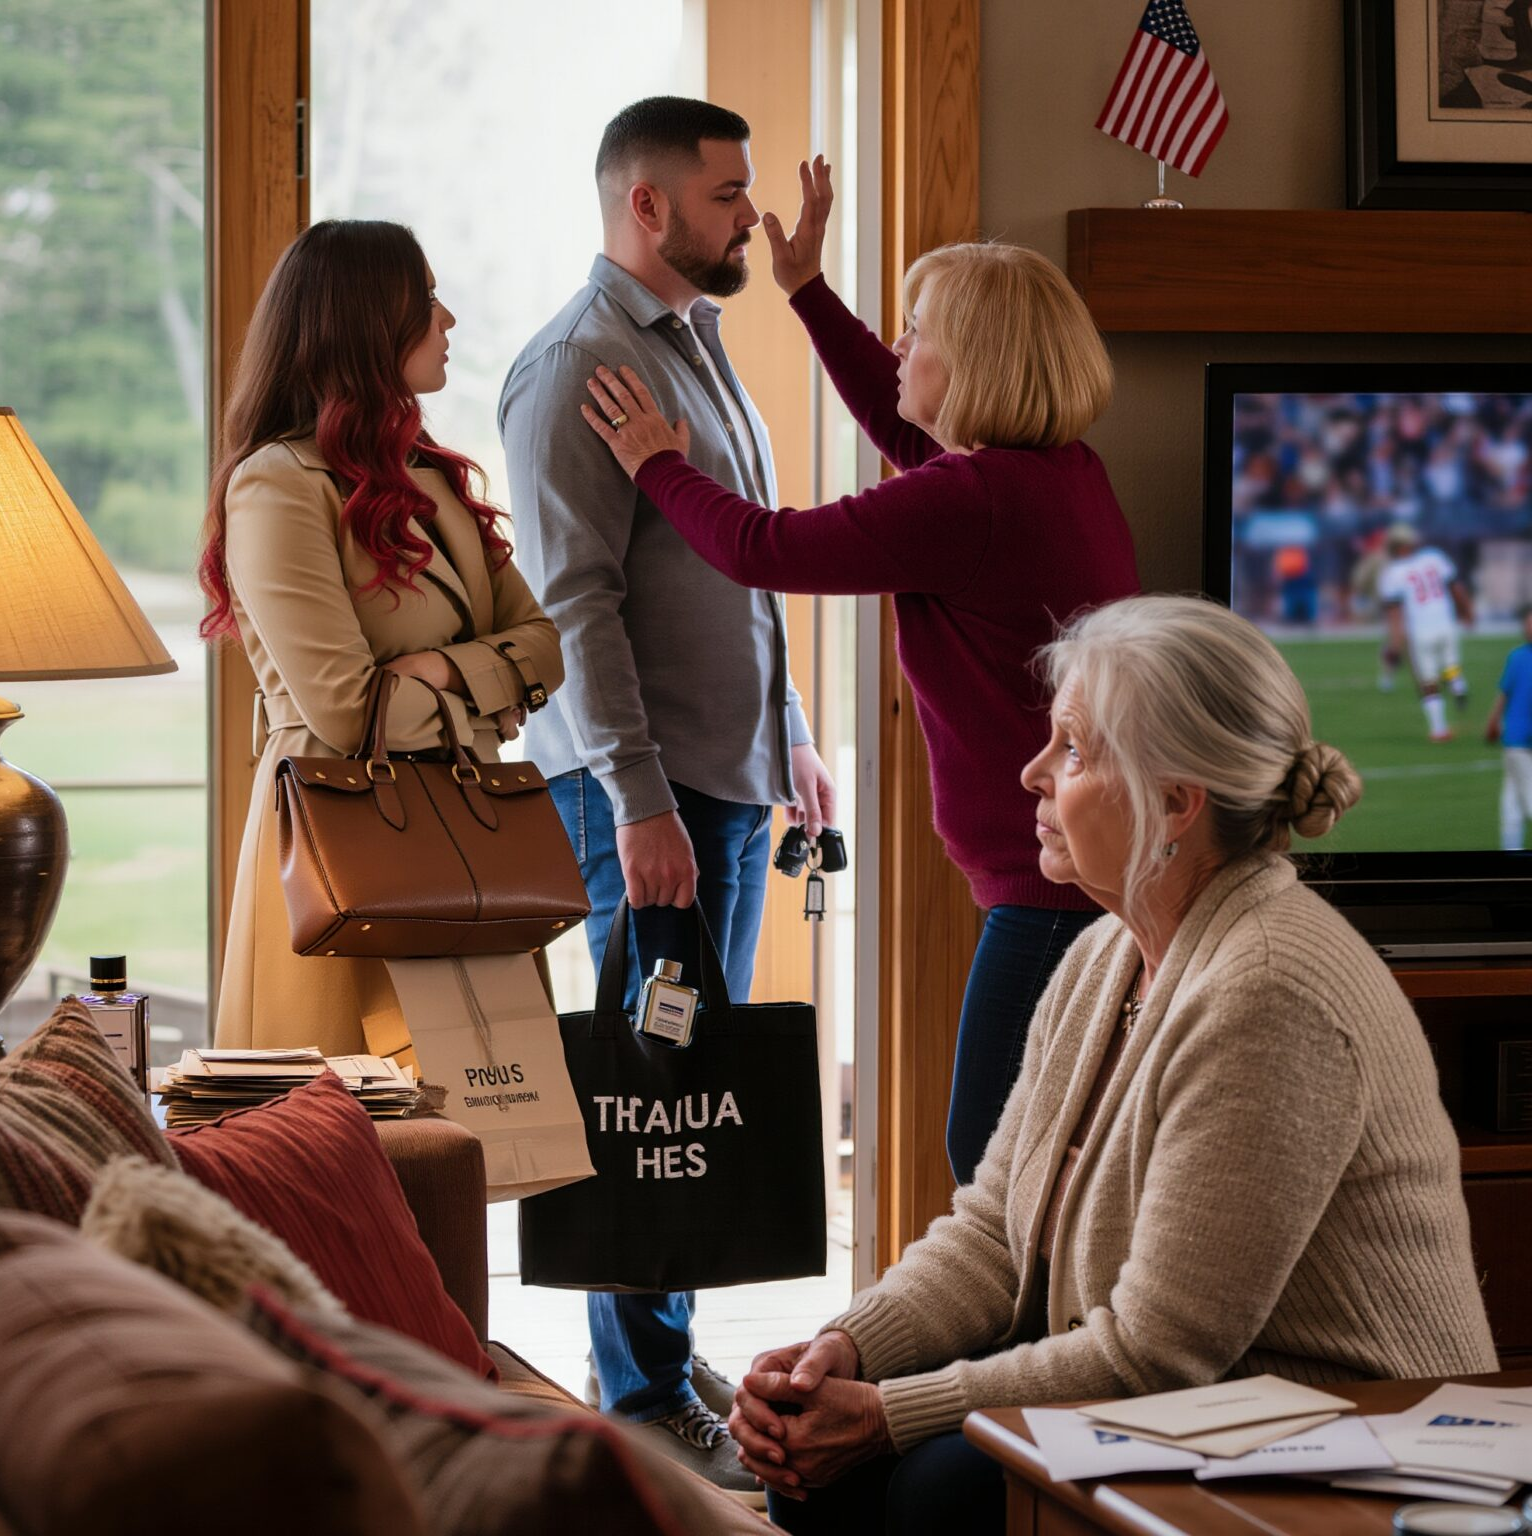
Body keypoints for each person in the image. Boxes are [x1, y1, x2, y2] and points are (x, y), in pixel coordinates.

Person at [725, 595, 1498, 1535]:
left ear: (1175, 802)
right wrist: (847, 1349)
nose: (1031, 773)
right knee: (817, 1471)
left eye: (1074, 751)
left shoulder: (1268, 991)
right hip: (1211, 1403)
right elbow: (995, 1232)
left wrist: (888, 1414)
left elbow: (1158, 1354)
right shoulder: (1105, 954)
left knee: (935, 1492)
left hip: (1353, 1430)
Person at [580, 156, 1139, 1186]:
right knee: (1047, 1161)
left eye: (916, 333)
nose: (900, 350)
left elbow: (761, 548)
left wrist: (658, 463)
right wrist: (806, 292)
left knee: (992, 1160)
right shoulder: (1057, 473)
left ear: (972, 362)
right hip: (1089, 873)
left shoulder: (968, 504)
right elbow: (901, 422)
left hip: (1048, 893)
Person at [498, 98, 835, 1494]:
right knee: (650, 1092)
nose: (752, 216)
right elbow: (575, 607)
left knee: (696, 1086)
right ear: (647, 205)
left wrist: (794, 732)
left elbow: (736, 571)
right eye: (726, 195)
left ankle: (657, 1349)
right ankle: (638, 1395)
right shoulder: (574, 367)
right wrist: (638, 804)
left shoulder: (698, 343)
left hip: (731, 775)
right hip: (644, 791)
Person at [202, 219, 562, 1060]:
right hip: (343, 849)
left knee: (490, 1117)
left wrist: (438, 670)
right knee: (343, 1125)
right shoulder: (277, 485)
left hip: (471, 843)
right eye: (425, 299)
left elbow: (546, 646)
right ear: (364, 322)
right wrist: (488, 692)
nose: (449, 320)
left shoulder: (432, 479)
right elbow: (345, 709)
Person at [1377, 523, 1473, 740]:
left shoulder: (1393, 573)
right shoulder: (1434, 558)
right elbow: (1456, 589)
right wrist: (1467, 612)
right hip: (1446, 623)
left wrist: (1395, 645)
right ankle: (1457, 685)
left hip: (1420, 631)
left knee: (1428, 680)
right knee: (1450, 664)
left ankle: (1439, 728)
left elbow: (1395, 616)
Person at [1485, 601, 1532, 849]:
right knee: (1523, 800)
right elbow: (1504, 693)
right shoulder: (1517, 657)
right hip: (1517, 740)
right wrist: (1493, 722)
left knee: (1513, 804)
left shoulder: (1518, 657)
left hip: (1519, 739)